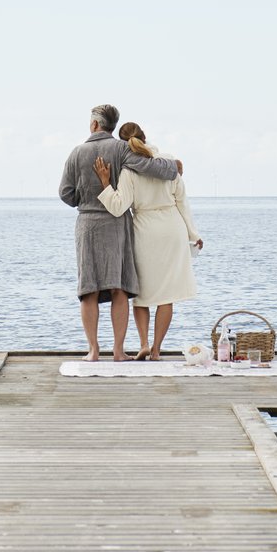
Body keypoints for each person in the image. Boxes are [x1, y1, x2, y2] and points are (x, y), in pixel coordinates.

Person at [59, 104, 181, 361]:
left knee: (89, 288)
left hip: (88, 224)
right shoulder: (122, 149)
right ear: (113, 125)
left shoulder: (76, 153)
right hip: (116, 224)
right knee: (119, 289)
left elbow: (66, 194)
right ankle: (117, 351)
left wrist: (86, 198)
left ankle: (93, 351)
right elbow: (155, 168)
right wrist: (174, 166)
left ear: (94, 124)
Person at [93, 122, 203, 361]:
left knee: (142, 293)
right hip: (172, 227)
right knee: (167, 294)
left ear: (123, 145)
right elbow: (182, 201)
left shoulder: (128, 171)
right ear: (145, 136)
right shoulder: (168, 162)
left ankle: (143, 343)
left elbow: (117, 206)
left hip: (144, 230)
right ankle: (156, 349)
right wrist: (193, 234)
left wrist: (104, 183)